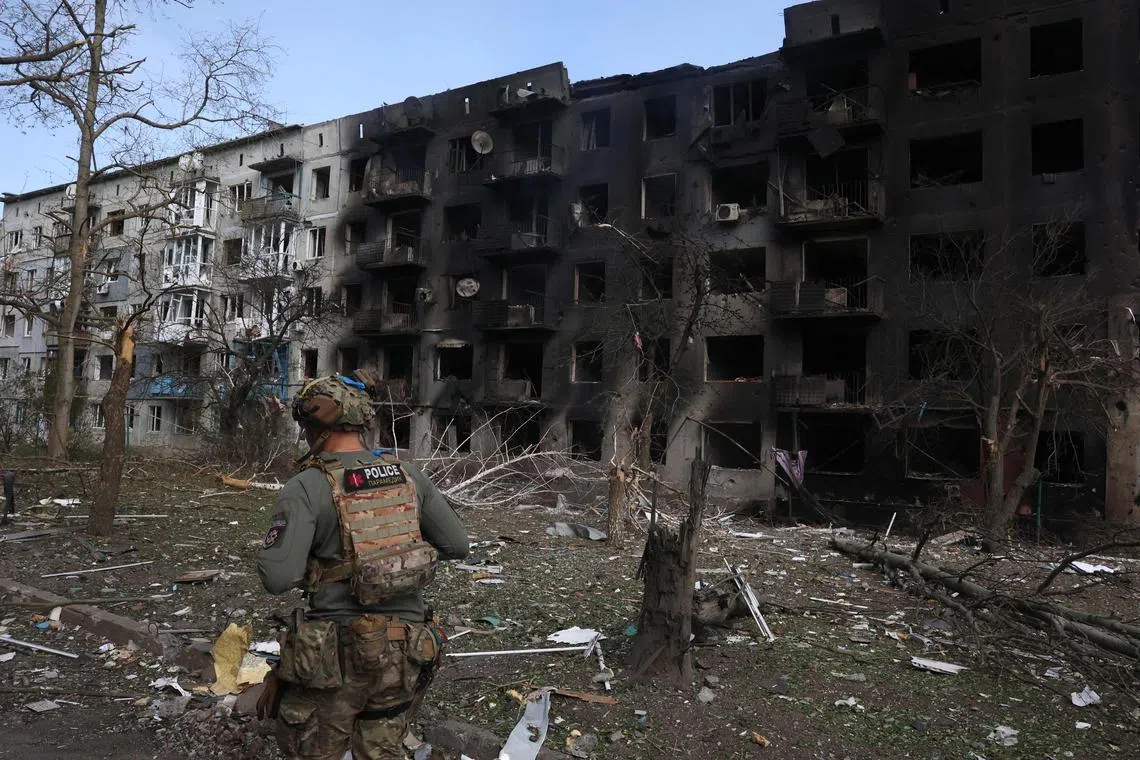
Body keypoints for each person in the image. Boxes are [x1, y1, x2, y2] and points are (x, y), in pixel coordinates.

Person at [257, 369, 469, 760]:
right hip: (406, 653)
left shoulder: (307, 485)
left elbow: (278, 576)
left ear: (314, 425)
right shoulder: (407, 474)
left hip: (335, 659)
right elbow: (457, 545)